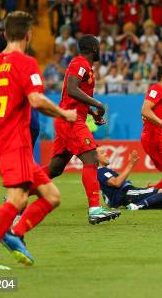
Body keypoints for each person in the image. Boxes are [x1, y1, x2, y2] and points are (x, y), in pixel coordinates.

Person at [0, 11, 76, 270]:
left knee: (52, 196)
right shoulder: (26, 63)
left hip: (0, 144)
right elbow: (36, 100)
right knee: (18, 200)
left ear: (7, 34)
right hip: (14, 143)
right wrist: (65, 113)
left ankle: (15, 234)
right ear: (28, 35)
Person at [46, 35, 120, 225]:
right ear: (94, 48)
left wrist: (93, 113)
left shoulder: (84, 66)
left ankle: (18, 193)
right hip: (71, 121)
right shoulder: (80, 63)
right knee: (91, 159)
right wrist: (96, 103)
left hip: (70, 118)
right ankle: (95, 209)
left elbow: (77, 96)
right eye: (99, 46)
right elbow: (72, 89)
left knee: (55, 169)